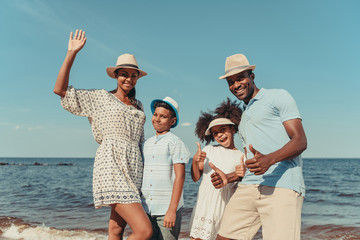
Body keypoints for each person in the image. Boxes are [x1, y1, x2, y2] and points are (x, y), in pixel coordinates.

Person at [53, 29, 152, 240]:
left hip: (133, 169)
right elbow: (60, 90)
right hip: (111, 166)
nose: (129, 78)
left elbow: (140, 144)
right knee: (144, 231)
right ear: (116, 75)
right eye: (124, 74)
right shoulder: (100, 98)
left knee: (116, 231)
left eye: (133, 75)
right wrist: (72, 53)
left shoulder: (139, 106)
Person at [212, 54, 307, 240]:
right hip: (248, 187)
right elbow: (253, 160)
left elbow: (300, 141)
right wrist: (229, 177)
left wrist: (270, 159)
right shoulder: (244, 117)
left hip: (282, 186)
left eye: (240, 78)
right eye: (231, 82)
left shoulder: (277, 96)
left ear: (252, 76)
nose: (236, 85)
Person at [189, 99, 246, 240]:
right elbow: (196, 177)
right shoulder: (209, 150)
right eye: (215, 133)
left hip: (225, 206)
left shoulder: (241, 156)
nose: (220, 135)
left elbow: (242, 182)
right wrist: (195, 162)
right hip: (205, 205)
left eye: (223, 130)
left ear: (233, 129)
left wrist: (241, 175)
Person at [141, 97, 191, 240]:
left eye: (163, 116)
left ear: (172, 121)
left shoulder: (175, 142)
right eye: (155, 115)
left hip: (166, 209)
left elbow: (180, 176)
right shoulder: (146, 143)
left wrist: (172, 210)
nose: (157, 119)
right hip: (146, 208)